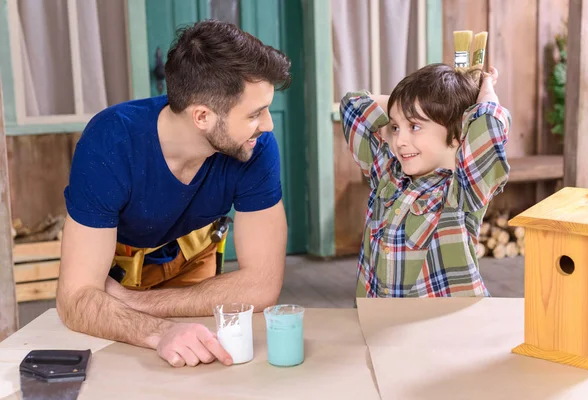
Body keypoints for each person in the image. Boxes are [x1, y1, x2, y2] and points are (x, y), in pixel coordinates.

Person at [56, 19, 290, 368]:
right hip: (117, 260)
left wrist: (133, 304)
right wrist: (158, 331)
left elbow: (262, 287)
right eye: (255, 113)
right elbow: (75, 299)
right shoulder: (110, 142)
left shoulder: (255, 146)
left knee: (200, 365)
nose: (268, 124)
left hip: (190, 254)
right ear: (202, 116)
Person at [340, 63, 511, 298]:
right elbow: (353, 106)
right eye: (395, 127)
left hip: (445, 328)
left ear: (458, 132)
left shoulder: (462, 191)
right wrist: (409, 104)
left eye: (414, 126)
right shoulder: (386, 174)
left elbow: (489, 127)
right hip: (380, 323)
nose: (399, 140)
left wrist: (485, 90)